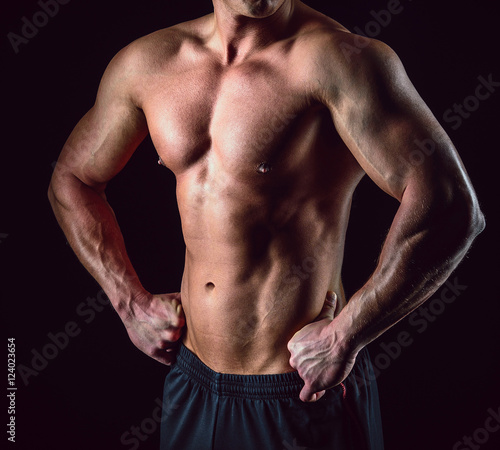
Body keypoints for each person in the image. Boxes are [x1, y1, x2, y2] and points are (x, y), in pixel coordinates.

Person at [47, 0, 485, 448]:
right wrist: (130, 304)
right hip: (191, 383)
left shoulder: (340, 62)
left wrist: (346, 336)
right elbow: (74, 179)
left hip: (298, 393)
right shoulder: (147, 64)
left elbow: (449, 206)